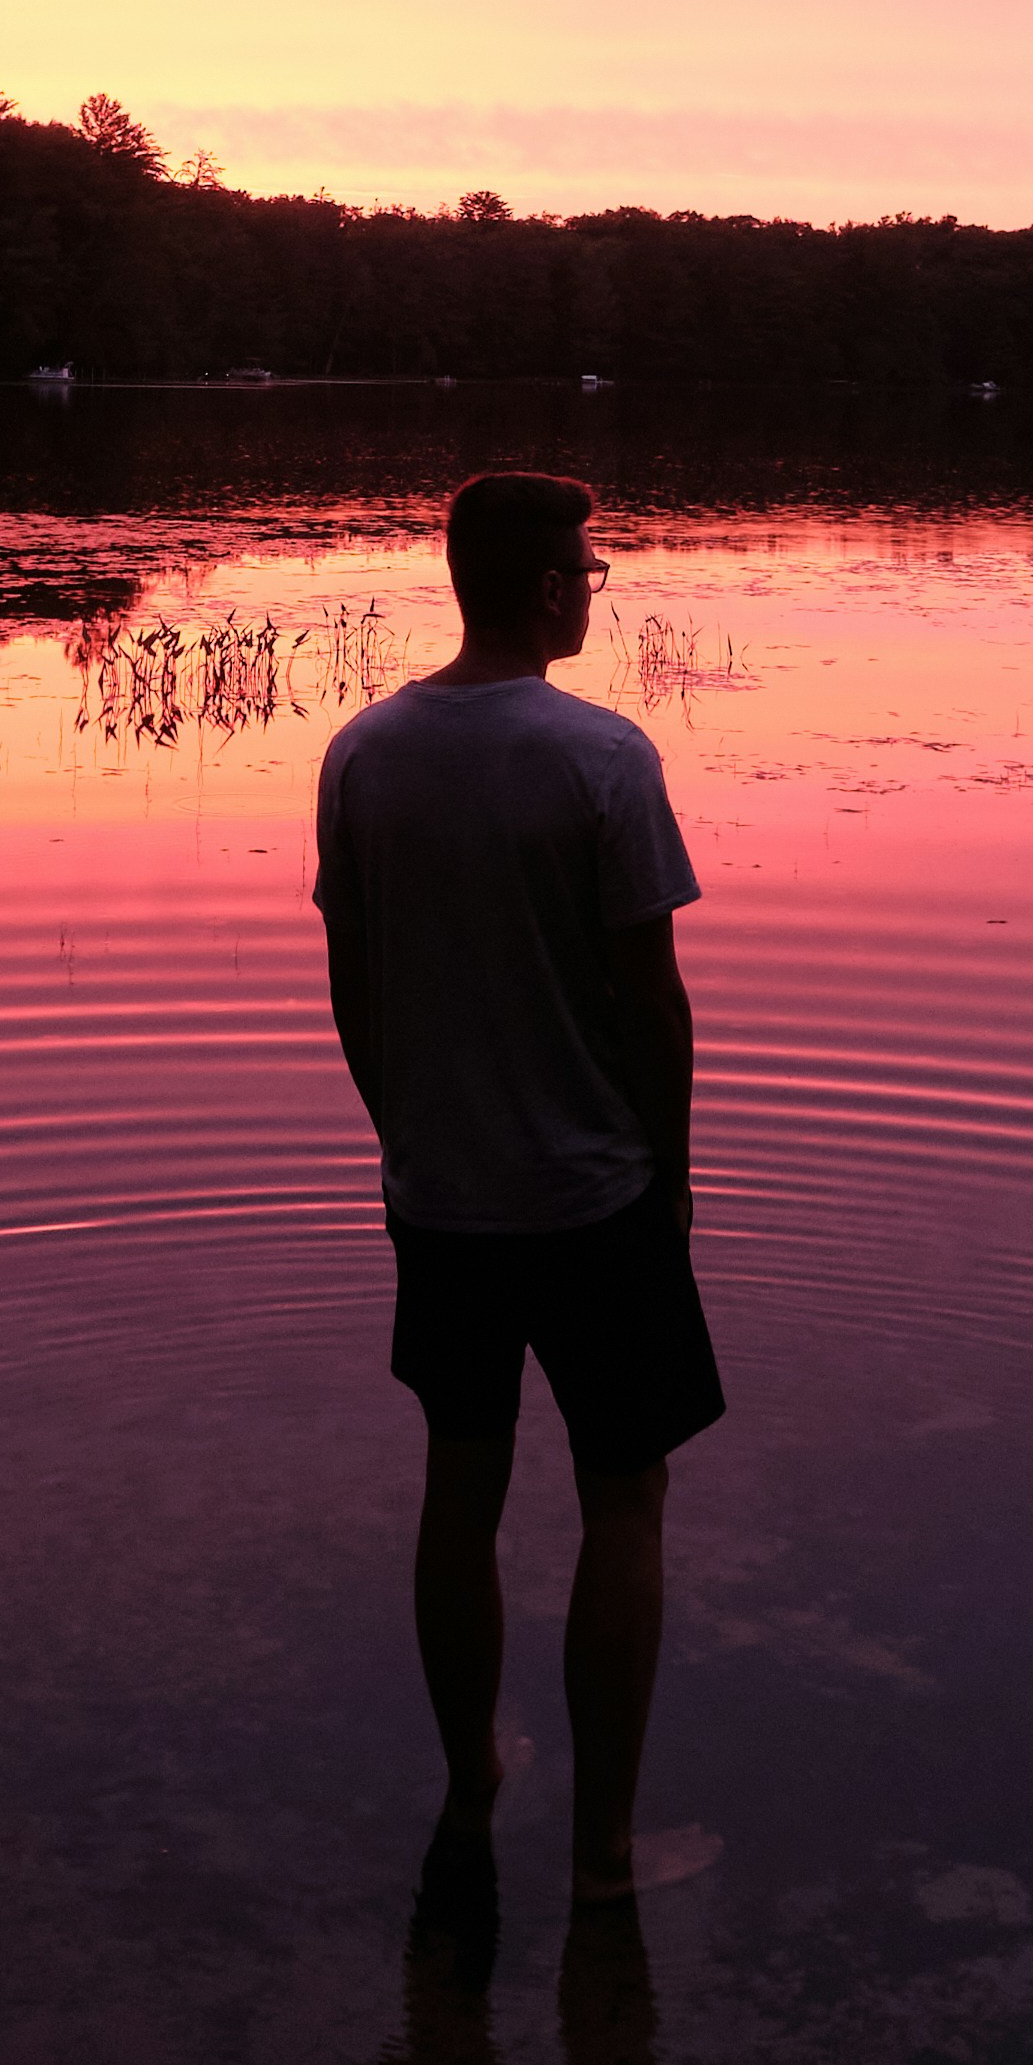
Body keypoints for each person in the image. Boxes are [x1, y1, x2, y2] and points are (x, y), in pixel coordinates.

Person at [313, 471, 720, 1901]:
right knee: (625, 1502)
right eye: (591, 573)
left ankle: (471, 1777)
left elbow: (353, 988)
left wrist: (406, 1137)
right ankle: (606, 1853)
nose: (594, 590)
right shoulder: (601, 759)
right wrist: (671, 1180)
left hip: (444, 1201)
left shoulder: (365, 755)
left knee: (459, 1488)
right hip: (598, 1199)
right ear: (549, 590)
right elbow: (652, 1005)